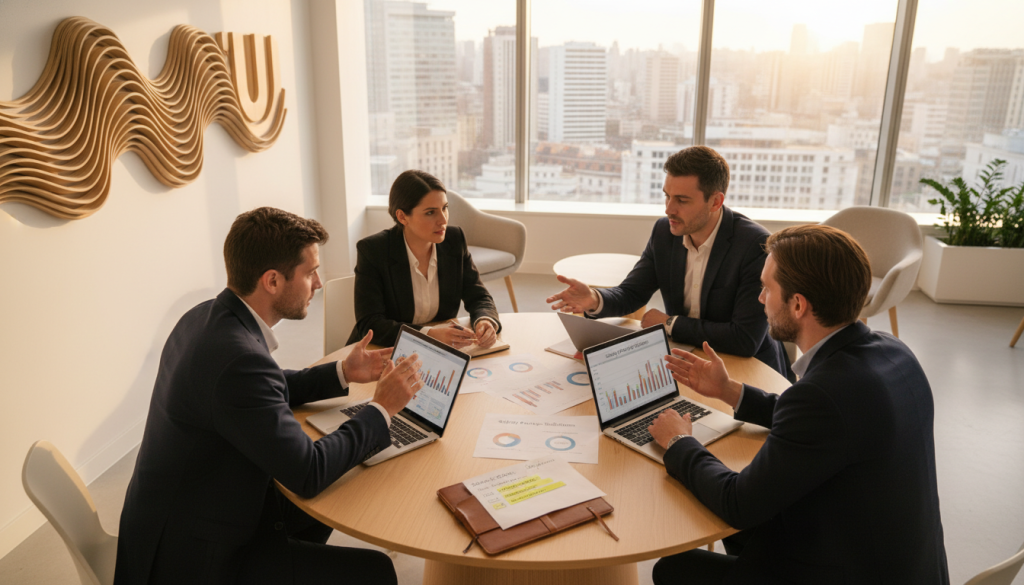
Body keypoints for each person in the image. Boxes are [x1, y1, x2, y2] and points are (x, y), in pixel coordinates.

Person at [114, 207, 424, 585]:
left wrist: (343, 372)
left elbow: (267, 386)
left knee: (326, 497)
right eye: (310, 272)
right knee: (373, 571)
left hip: (181, 515)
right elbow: (308, 472)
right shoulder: (239, 358)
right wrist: (381, 408)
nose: (319, 283)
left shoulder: (206, 317)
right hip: (196, 558)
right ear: (273, 281)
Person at [648, 224, 949, 584]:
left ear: (798, 304)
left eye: (767, 289)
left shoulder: (822, 394)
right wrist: (730, 391)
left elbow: (738, 504)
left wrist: (679, 442)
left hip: (848, 572)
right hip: (900, 564)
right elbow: (826, 421)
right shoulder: (893, 352)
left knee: (674, 568)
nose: (760, 299)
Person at [546, 146, 788, 377]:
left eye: (682, 200)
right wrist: (595, 299)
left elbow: (744, 339)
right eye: (667, 196)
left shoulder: (753, 245)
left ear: (715, 201)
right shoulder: (665, 232)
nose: (669, 209)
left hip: (747, 368)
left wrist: (670, 323)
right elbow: (632, 293)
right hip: (685, 357)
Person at [349, 169, 500, 349]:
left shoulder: (454, 240)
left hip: (439, 351)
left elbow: (478, 296)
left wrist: (484, 320)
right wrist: (429, 334)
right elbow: (371, 324)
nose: (443, 220)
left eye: (445, 208)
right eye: (430, 212)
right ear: (402, 216)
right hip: (383, 349)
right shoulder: (373, 251)